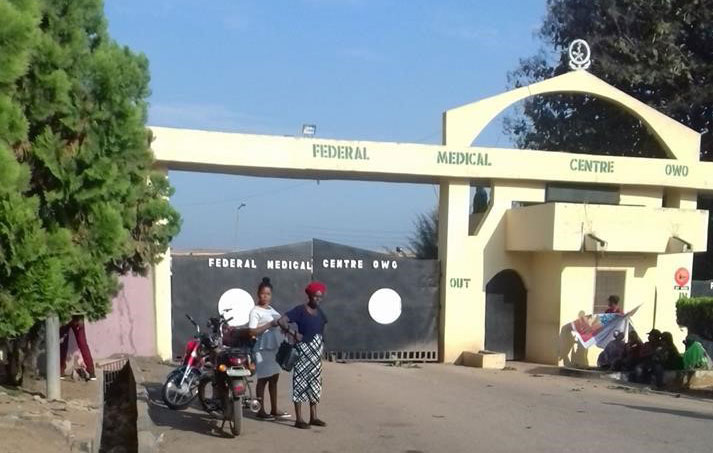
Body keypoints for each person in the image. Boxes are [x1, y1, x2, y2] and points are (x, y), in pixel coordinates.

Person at [278, 281, 328, 429]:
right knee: (300, 382)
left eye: (320, 297)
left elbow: (322, 328)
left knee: (315, 383)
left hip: (316, 354)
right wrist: (293, 333)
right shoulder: (300, 310)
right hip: (303, 351)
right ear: (309, 295)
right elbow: (282, 321)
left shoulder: (320, 312)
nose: (318, 299)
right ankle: (299, 418)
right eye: (315, 296)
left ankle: (314, 417)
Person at [248, 277, 290, 420]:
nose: (265, 296)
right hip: (263, 349)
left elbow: (279, 323)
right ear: (258, 294)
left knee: (274, 379)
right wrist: (269, 325)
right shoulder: (255, 311)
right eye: (263, 293)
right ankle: (260, 410)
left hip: (275, 349)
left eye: (268, 294)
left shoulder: (272, 309)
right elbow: (252, 332)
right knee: (263, 379)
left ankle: (274, 408)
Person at [59, 315, 96, 381]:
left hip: (66, 313)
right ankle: (91, 372)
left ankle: (61, 371)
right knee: (82, 344)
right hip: (77, 313)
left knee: (63, 344)